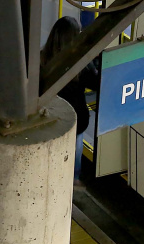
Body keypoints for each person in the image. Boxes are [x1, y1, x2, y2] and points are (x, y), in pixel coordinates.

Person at [41, 17, 100, 182]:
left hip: (50, 120)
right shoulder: (80, 64)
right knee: (74, 158)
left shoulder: (42, 59)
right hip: (76, 121)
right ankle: (71, 183)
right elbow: (96, 83)